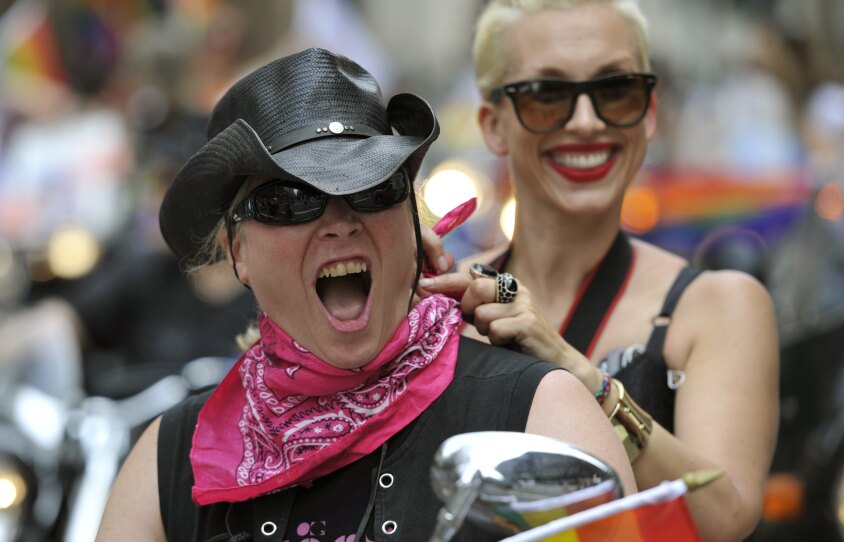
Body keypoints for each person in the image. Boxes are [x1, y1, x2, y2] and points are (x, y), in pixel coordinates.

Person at [96, 47, 635, 541]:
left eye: (373, 189)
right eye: (290, 200)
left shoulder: (539, 413)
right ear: (238, 252)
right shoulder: (171, 457)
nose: (339, 223)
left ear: (410, 225)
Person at [418, 1, 779, 540]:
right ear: (493, 126)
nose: (586, 122)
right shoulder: (434, 298)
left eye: (615, 90)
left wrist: (578, 373)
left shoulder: (720, 304)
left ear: (649, 112)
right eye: (547, 95)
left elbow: (723, 518)